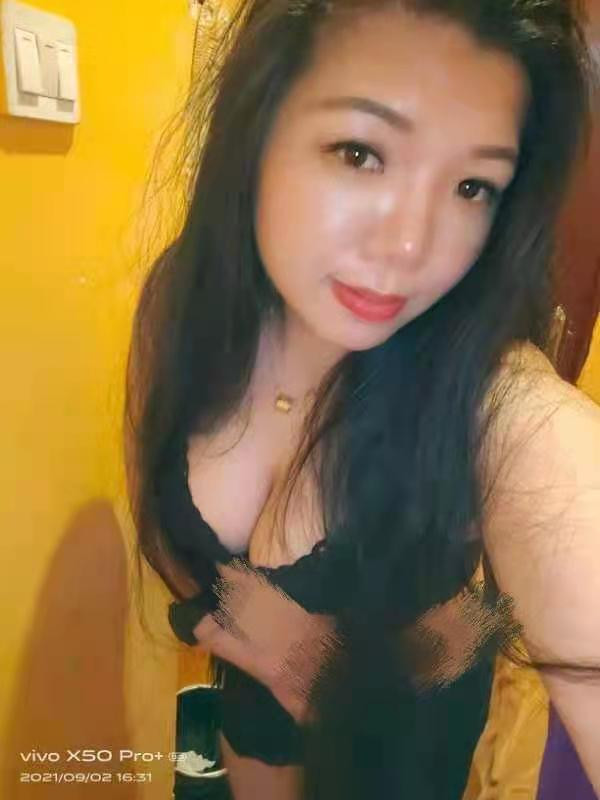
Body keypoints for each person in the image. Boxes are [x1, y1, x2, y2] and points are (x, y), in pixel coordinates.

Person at [124, 0, 600, 797]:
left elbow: (495, 602)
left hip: (403, 747)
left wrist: (359, 679)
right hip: (252, 723)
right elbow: (164, 524)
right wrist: (267, 643)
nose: (410, 246)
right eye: (360, 152)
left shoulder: (497, 400)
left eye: (473, 186)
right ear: (258, 125)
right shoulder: (185, 299)